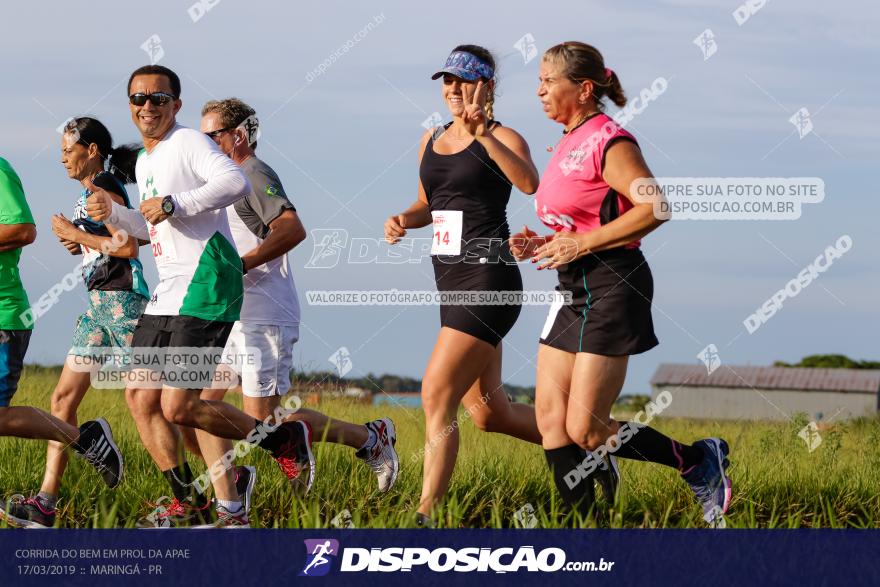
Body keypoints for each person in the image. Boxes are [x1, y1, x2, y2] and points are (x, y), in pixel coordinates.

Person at [510, 41, 731, 526]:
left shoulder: (611, 141)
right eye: (540, 80)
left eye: (549, 80)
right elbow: (584, 218)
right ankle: (588, 535)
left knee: (587, 431)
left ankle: (698, 462)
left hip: (613, 285)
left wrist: (580, 243)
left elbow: (656, 207)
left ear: (584, 88)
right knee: (551, 421)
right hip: (571, 286)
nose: (539, 90)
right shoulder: (567, 139)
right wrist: (546, 242)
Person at [85, 65, 311, 528]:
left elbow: (235, 182)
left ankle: (282, 442)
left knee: (179, 406)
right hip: (170, 290)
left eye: (158, 98)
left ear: (176, 105)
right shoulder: (147, 162)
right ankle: (193, 502)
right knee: (139, 399)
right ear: (129, 104)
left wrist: (174, 204)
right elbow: (149, 228)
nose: (147, 106)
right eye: (138, 98)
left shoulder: (189, 142)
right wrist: (116, 214)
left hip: (206, 283)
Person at [172, 97, 399, 507]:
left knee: (264, 424)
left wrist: (240, 265)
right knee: (194, 409)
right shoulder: (218, 182)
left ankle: (370, 438)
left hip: (264, 312)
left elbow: (292, 229)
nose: (203, 145)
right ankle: (232, 487)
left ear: (238, 136)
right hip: (226, 316)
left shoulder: (252, 173)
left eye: (211, 136)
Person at [384, 45, 562, 526]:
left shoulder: (502, 136)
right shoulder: (430, 139)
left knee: (436, 392)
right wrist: (404, 217)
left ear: (487, 87)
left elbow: (529, 183)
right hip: (451, 279)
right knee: (489, 413)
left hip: (490, 277)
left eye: (464, 82)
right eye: (448, 81)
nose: (454, 90)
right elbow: (431, 203)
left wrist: (484, 132)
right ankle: (587, 447)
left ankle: (427, 515)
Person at [0, 118, 147, 528]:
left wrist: (74, 232)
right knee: (63, 400)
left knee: (160, 404)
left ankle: (216, 487)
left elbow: (129, 246)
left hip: (122, 303)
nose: (62, 157)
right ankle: (45, 504)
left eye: (69, 149)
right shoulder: (88, 192)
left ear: (93, 150)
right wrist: (76, 238)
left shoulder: (104, 186)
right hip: (97, 306)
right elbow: (103, 244)